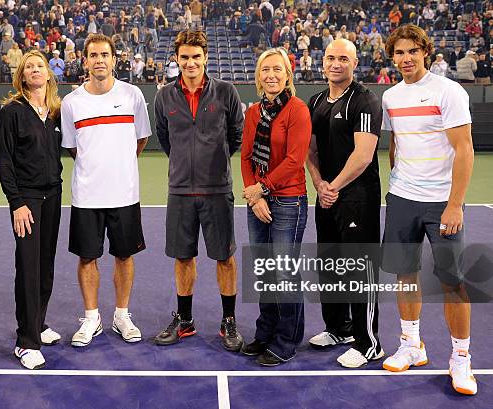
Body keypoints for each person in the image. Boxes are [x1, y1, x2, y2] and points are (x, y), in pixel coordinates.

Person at [380, 24, 477, 396]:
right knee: (405, 274)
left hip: (443, 204)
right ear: (392, 57)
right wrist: (398, 188)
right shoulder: (390, 97)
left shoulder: (448, 91)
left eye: (412, 51)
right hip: (403, 198)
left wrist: (454, 204)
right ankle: (411, 345)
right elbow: (395, 148)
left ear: (425, 51)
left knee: (453, 282)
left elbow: (464, 149)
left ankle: (461, 359)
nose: (406, 59)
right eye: (399, 53)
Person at [153, 30, 244, 351]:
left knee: (225, 258)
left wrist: (212, 165)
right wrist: (183, 164)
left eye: (196, 57)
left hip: (217, 190)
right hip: (179, 191)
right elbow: (165, 139)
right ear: (176, 59)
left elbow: (235, 135)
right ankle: (186, 320)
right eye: (184, 57)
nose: (190, 63)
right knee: (183, 257)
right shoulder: (164, 96)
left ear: (206, 57)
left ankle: (228, 320)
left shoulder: (226, 92)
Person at [61, 34, 151, 348]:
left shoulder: (133, 95)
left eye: (105, 54)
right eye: (93, 55)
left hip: (125, 193)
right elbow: (73, 148)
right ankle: (91, 317)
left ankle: (121, 315)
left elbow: (140, 140)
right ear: (85, 61)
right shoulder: (72, 102)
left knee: (124, 255)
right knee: (88, 257)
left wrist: (119, 165)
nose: (99, 60)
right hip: (87, 195)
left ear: (114, 59)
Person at [306, 38, 384, 368]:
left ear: (355, 64)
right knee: (331, 266)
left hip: (357, 199)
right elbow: (310, 151)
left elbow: (363, 156)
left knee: (358, 270)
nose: (336, 64)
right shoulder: (315, 100)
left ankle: (369, 344)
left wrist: (333, 187)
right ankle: (339, 329)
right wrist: (319, 183)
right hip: (327, 196)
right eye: (331, 58)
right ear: (322, 62)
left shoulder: (365, 100)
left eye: (344, 59)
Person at [240, 48, 311, 366]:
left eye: (277, 70)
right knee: (265, 272)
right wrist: (255, 196)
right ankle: (265, 331)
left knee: (284, 272)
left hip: (289, 201)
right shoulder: (254, 111)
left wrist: (262, 188)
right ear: (258, 76)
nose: (270, 75)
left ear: (287, 75)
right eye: (265, 69)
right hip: (259, 201)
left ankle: (287, 339)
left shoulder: (298, 110)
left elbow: (295, 160)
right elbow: (245, 157)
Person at [0, 51, 63, 370]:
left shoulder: (54, 112)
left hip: (54, 196)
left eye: (40, 66)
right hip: (28, 200)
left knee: (45, 264)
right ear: (22, 76)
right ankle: (26, 341)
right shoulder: (12, 112)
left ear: (48, 74)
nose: (35, 70)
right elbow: (4, 161)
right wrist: (17, 202)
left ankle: (39, 323)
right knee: (28, 266)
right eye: (29, 67)